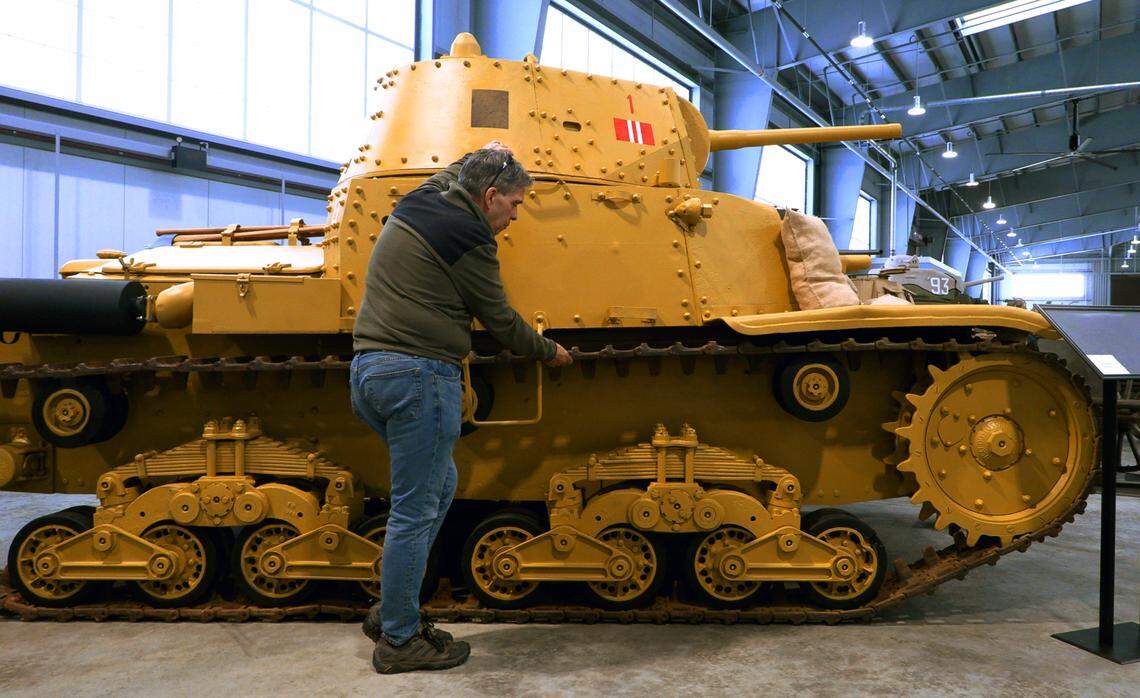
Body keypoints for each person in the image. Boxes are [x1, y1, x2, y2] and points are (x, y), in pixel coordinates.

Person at [350, 142, 573, 674]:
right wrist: (550, 351)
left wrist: (488, 152)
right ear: (490, 196)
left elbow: (458, 171)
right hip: (418, 375)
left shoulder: (423, 198)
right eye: (515, 205)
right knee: (415, 508)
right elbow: (499, 320)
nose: (514, 218)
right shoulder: (470, 237)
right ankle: (400, 641)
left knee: (438, 487)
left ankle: (394, 611)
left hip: (371, 373)